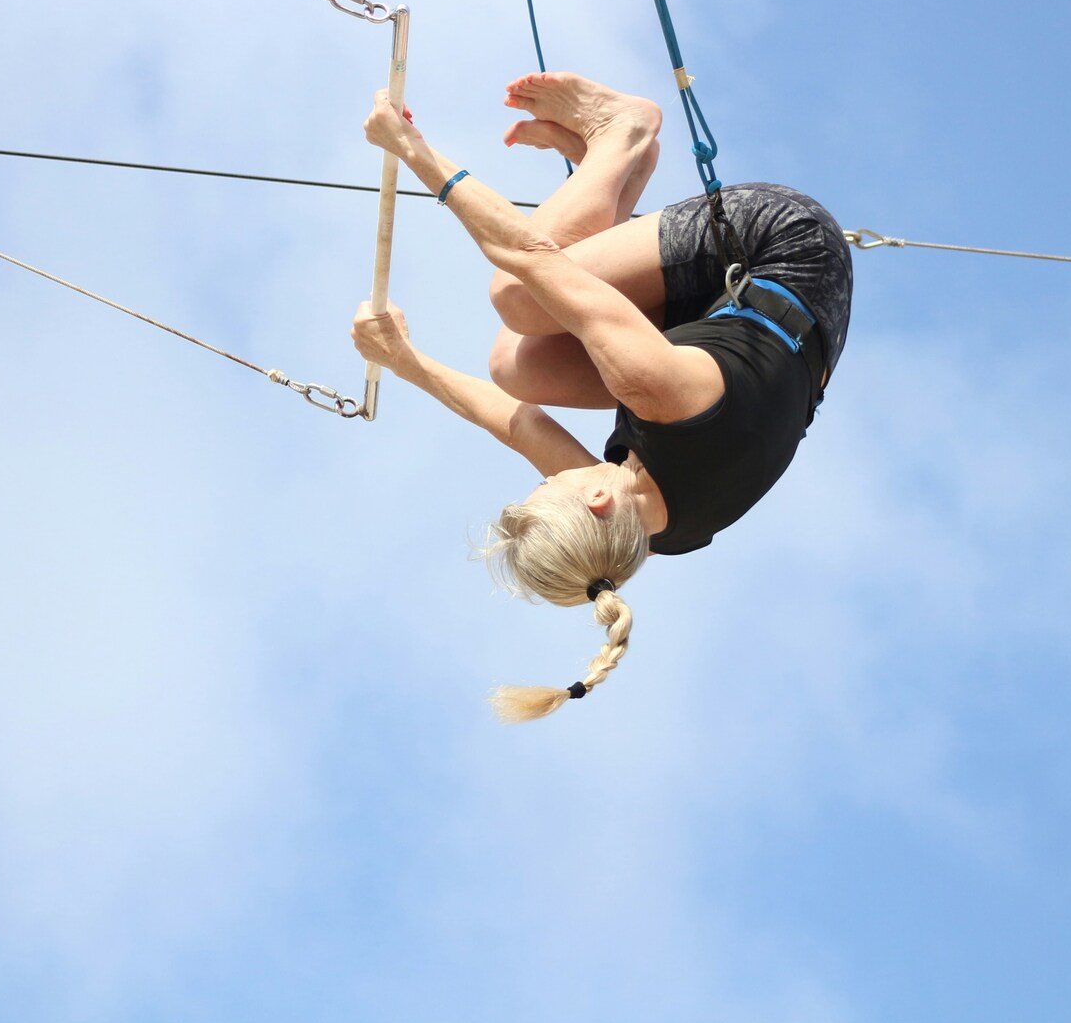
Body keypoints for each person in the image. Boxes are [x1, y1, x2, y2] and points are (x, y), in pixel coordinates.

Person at [352, 72, 852, 722]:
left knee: (516, 365)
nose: (549, 475)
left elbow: (521, 425)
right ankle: (624, 133)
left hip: (741, 329)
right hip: (781, 248)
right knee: (518, 296)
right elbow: (529, 256)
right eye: (548, 487)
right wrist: (411, 149)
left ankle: (616, 169)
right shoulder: (661, 396)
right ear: (593, 498)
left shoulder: (644, 532)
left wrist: (405, 361)